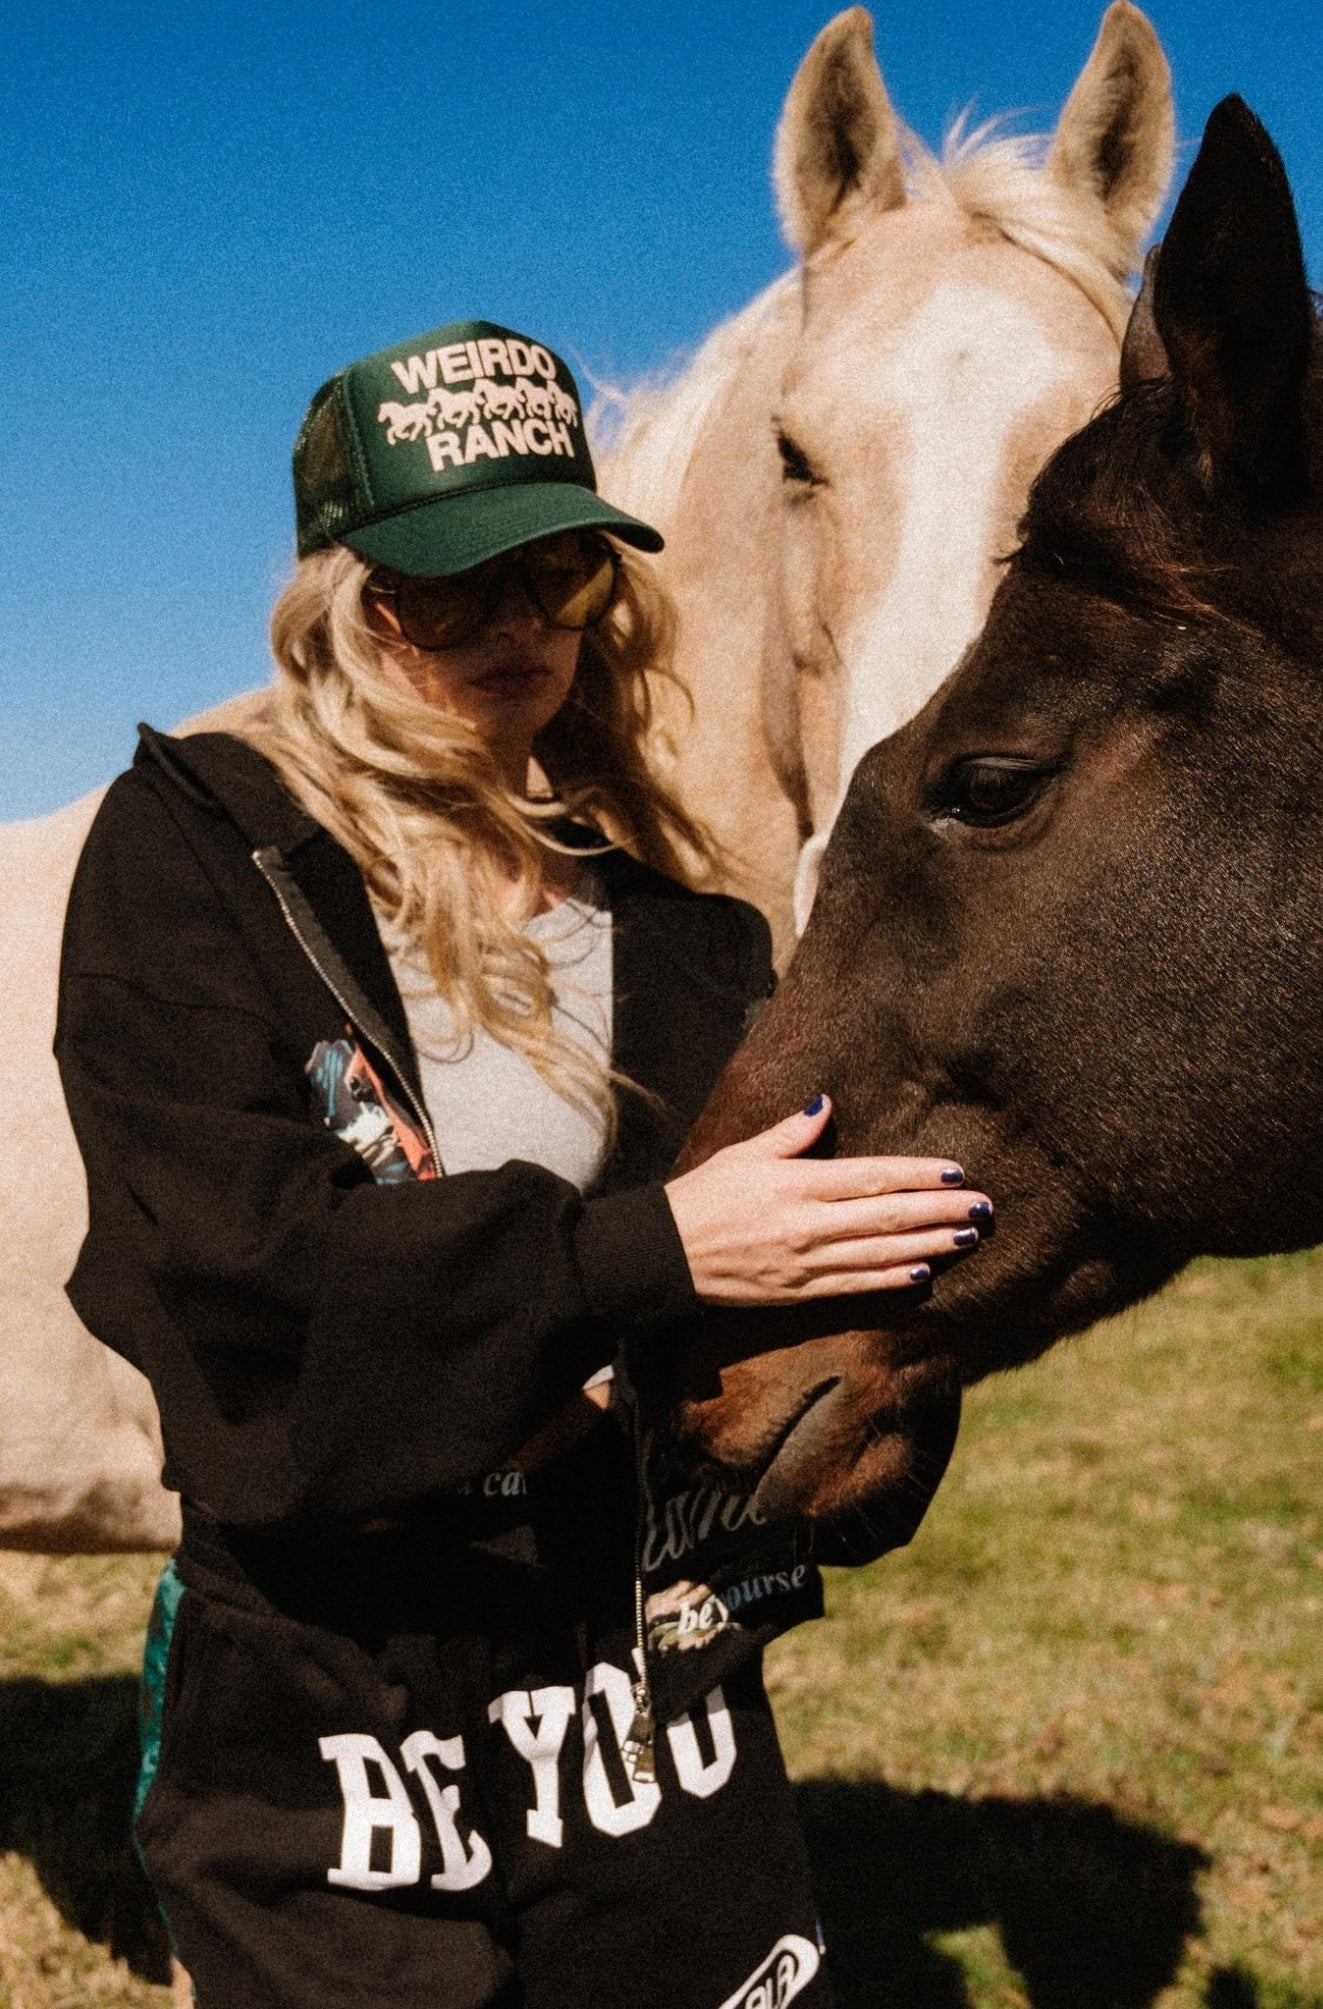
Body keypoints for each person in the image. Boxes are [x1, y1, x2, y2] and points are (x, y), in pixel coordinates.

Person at [56, 318, 990, 2009]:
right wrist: (642, 1261)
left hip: (627, 1684)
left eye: (551, 571)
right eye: (444, 585)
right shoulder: (199, 860)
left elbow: (797, 1314)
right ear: (343, 601)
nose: (510, 628)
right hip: (329, 1695)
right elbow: (237, 1275)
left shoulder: (690, 937)